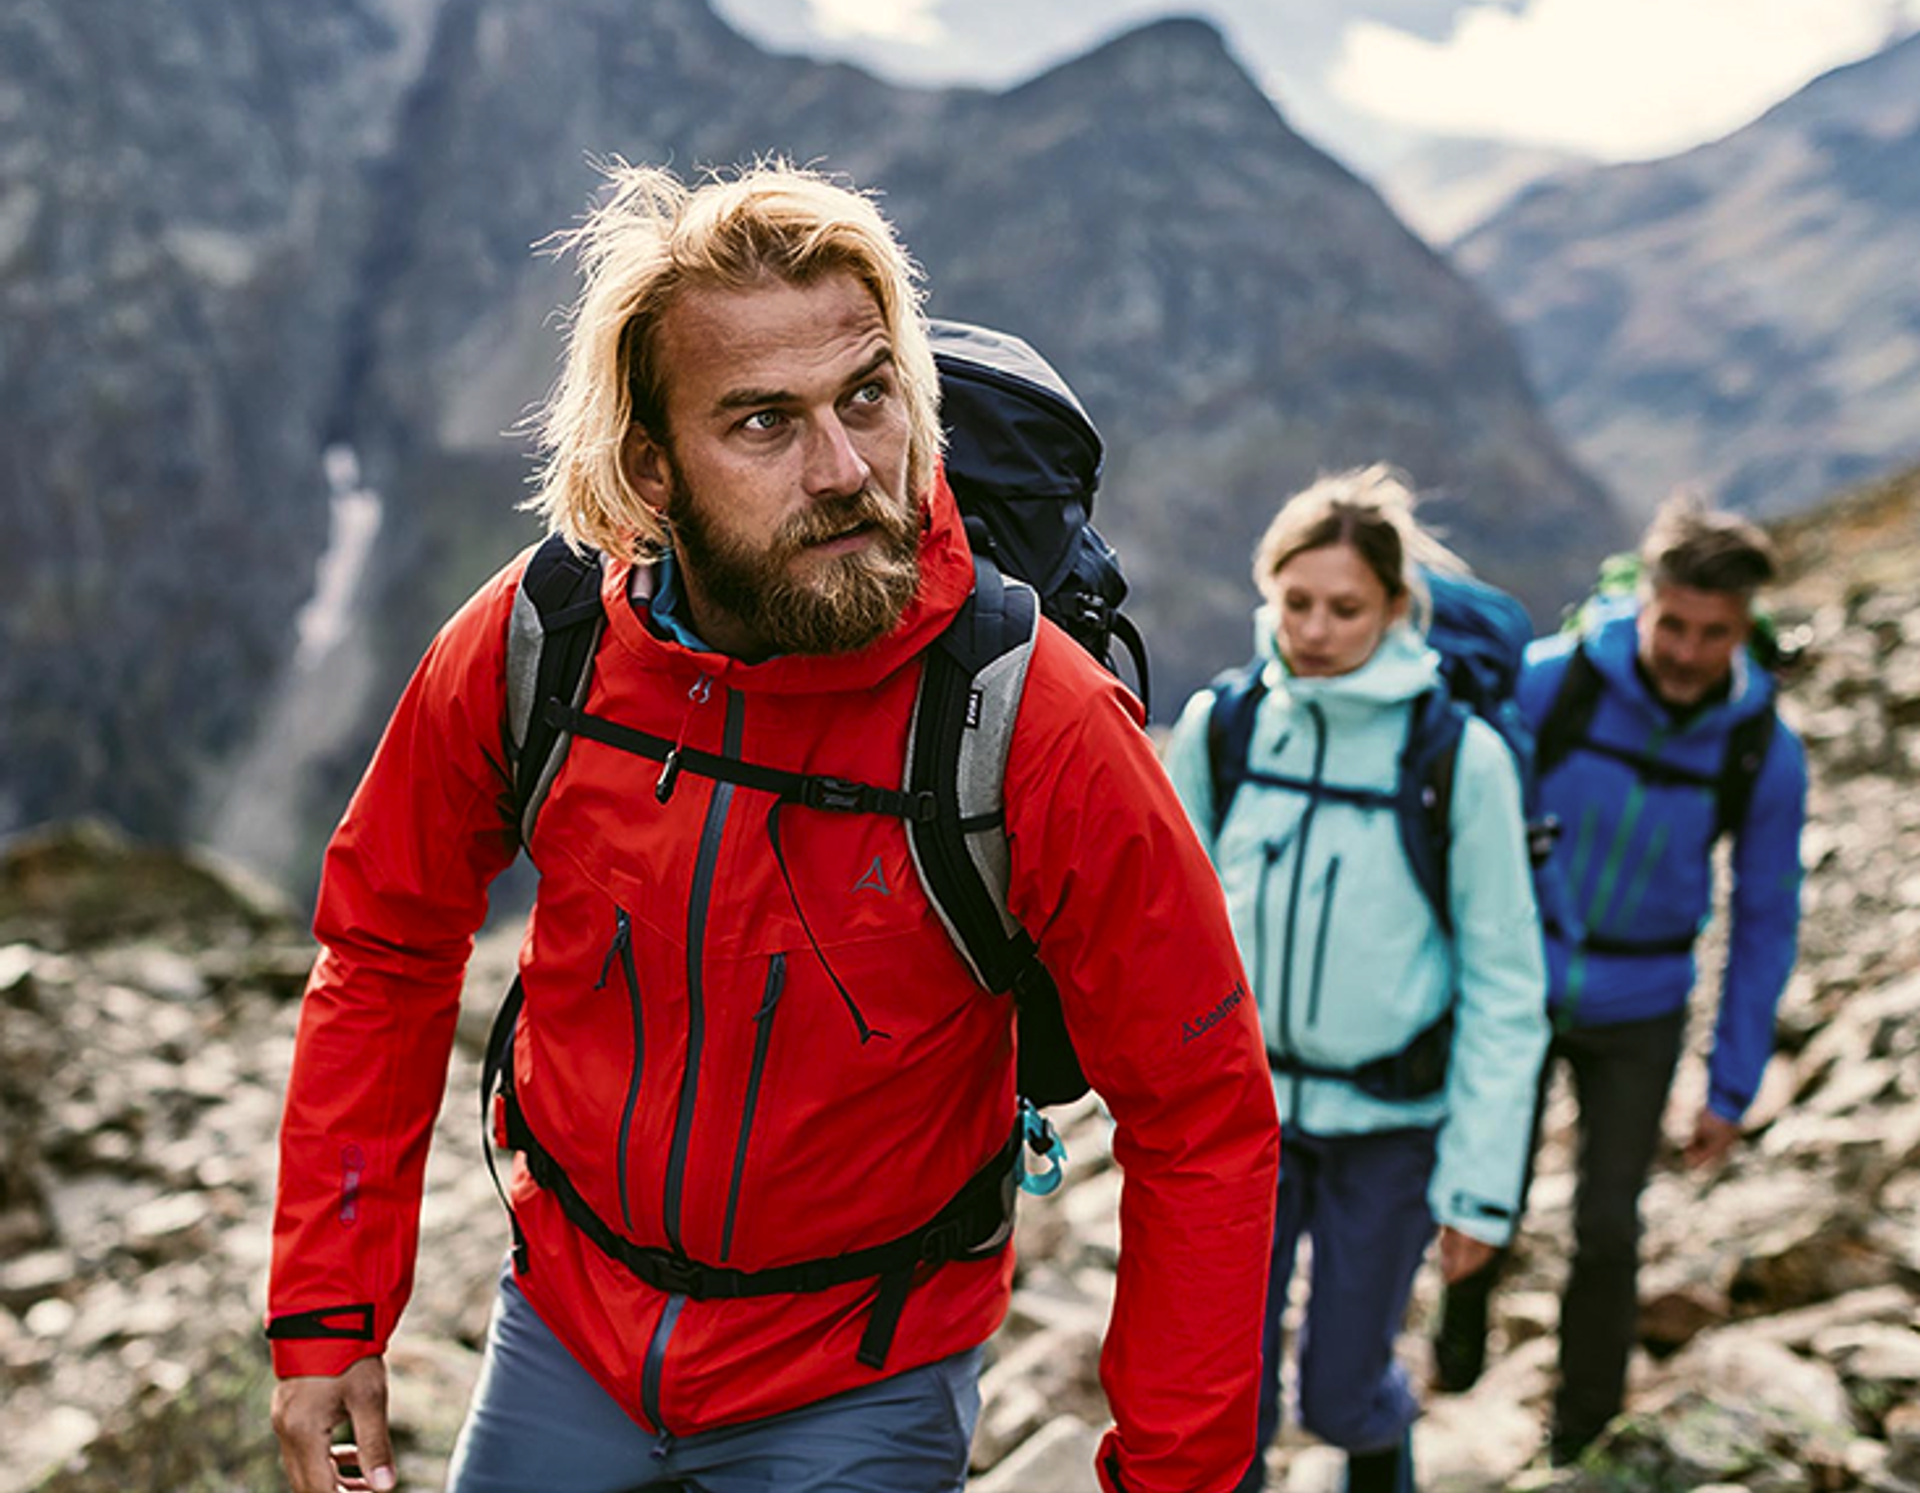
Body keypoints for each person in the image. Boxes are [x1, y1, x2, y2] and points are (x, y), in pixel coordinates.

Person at [264, 161, 1279, 1493]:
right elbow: (387, 940)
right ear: (649, 467)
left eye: (869, 395)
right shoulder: (544, 641)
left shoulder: (1034, 723)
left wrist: (1175, 1476)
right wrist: (330, 1311)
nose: (848, 467)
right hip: (567, 1334)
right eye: (761, 424)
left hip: (860, 1386)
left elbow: (1201, 1113)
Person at [1164, 467, 1548, 1493]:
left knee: (1338, 1390)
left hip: (1391, 1123)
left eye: (1346, 607)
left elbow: (1508, 981)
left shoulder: (1453, 756)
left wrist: (1480, 1184)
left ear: (1395, 609)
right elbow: (1163, 928)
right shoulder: (1224, 728)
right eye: (1297, 602)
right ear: (1266, 592)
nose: (1316, 629)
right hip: (1243, 1118)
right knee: (1219, 1389)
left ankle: (1380, 1450)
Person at [1431, 494, 1807, 1462]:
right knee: (1486, 1189)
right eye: (1671, 622)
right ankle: (1458, 1360)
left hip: (1643, 1003)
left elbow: (1765, 913)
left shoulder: (1761, 745)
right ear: (1642, 598)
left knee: (1608, 1223)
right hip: (1517, 983)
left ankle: (1583, 1434)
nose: (1685, 651)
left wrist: (1732, 1082)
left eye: (1713, 634)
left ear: (1746, 627)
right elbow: (1458, 820)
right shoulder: (1555, 684)